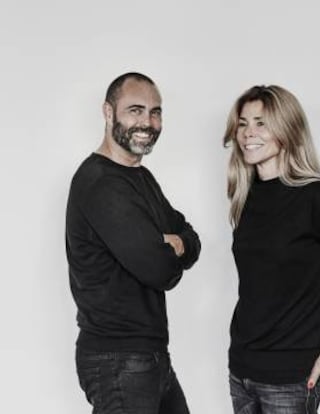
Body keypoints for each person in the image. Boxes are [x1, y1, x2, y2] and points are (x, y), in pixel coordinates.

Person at [223, 85, 320, 414]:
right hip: (241, 371)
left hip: (291, 378)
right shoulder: (246, 195)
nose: (248, 133)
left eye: (261, 123)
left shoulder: (316, 198)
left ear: (287, 129)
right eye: (243, 123)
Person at [66, 72, 201, 414]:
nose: (147, 122)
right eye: (135, 110)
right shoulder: (101, 184)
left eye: (155, 112)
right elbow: (160, 270)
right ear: (108, 112)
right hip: (117, 359)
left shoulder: (140, 177)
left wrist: (176, 243)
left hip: (148, 356)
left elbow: (191, 237)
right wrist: (168, 249)